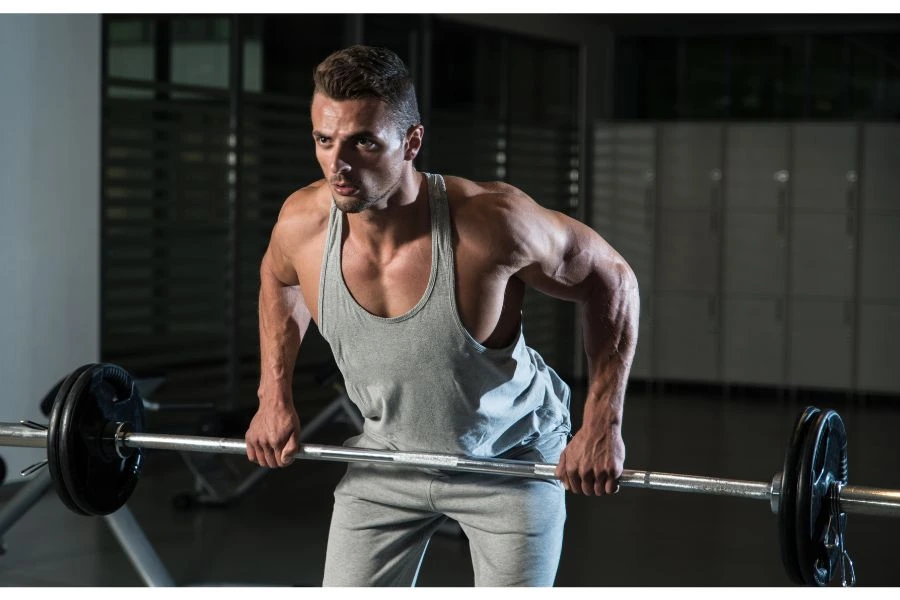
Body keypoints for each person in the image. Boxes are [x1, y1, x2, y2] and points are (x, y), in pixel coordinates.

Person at [244, 45, 639, 587]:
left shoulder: (491, 223)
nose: (339, 164)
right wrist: (273, 396)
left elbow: (610, 280)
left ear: (411, 143)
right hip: (386, 456)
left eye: (363, 142)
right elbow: (276, 278)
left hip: (511, 459)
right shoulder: (302, 223)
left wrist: (602, 422)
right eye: (324, 140)